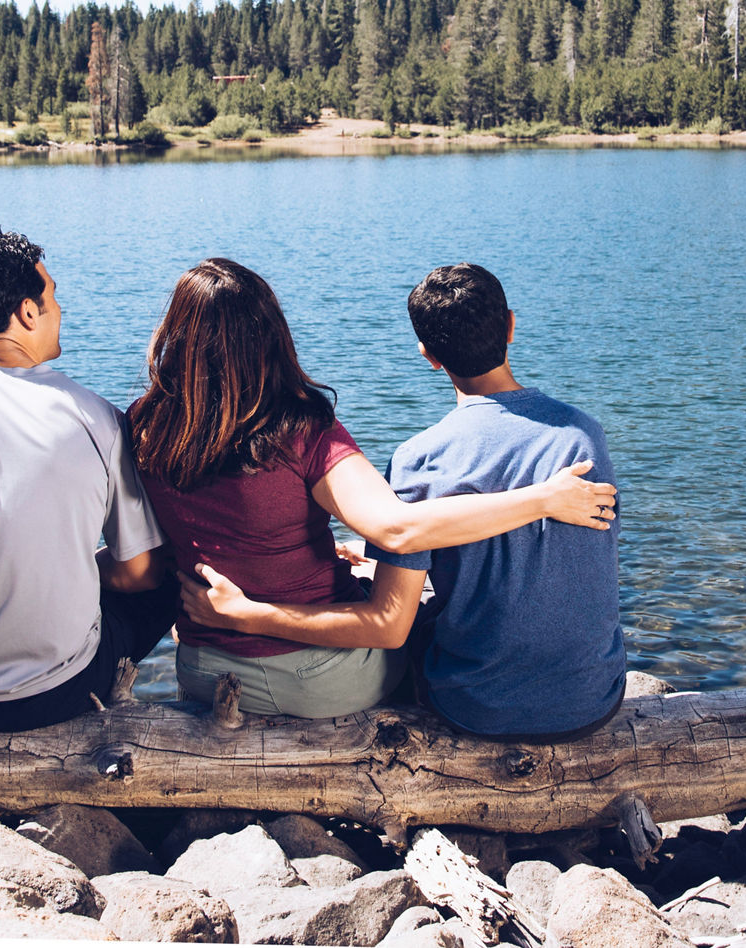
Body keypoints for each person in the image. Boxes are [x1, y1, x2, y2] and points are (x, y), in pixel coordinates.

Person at [132, 258, 615, 720]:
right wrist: (544, 499)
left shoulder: (143, 424)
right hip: (319, 678)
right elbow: (397, 536)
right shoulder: (302, 430)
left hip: (201, 666)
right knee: (416, 622)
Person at [363, 262, 628, 740]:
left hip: (477, 707)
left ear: (429, 356)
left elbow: (391, 620)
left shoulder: (417, 459)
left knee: (384, 604)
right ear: (510, 325)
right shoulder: (583, 436)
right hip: (592, 699)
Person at [0, 230, 174, 733]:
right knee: (168, 568)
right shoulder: (95, 419)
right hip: (50, 694)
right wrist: (73, 568)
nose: (59, 308)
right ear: (27, 313)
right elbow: (140, 575)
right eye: (53, 297)